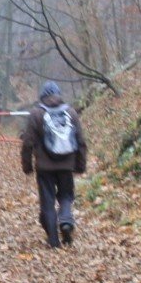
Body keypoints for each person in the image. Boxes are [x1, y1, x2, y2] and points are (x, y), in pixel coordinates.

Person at [21, 81, 87, 249]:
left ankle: (53, 241)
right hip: (67, 165)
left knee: (47, 202)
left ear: (42, 96)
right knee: (66, 196)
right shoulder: (70, 112)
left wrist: (27, 165)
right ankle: (65, 219)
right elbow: (80, 141)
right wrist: (80, 165)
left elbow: (28, 142)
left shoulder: (36, 114)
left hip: (45, 168)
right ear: (59, 94)